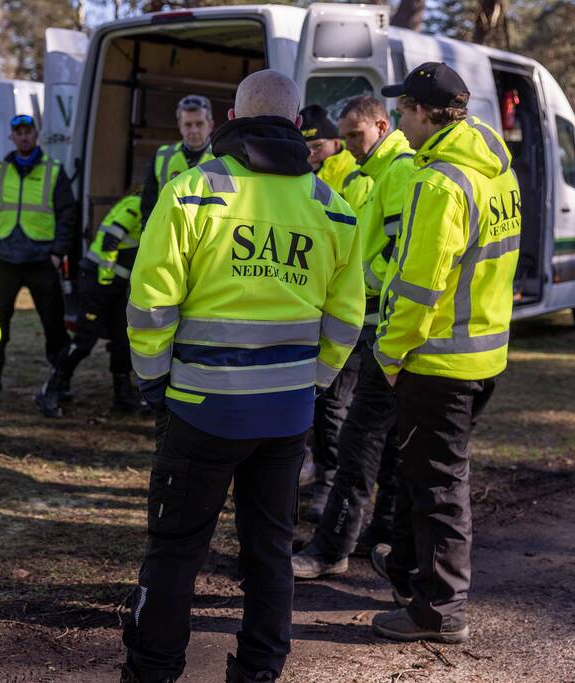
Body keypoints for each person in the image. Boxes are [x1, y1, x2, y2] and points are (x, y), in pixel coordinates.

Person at [121, 69, 364, 683]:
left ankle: (152, 672)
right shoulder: (333, 210)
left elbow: (151, 305)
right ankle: (259, 672)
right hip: (285, 416)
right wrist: (313, 384)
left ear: (231, 118)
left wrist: (154, 384)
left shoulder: (191, 192)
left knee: (176, 553)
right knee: (269, 553)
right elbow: (347, 317)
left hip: (200, 408)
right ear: (298, 127)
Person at [370, 62, 521, 644]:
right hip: (484, 354)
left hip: (436, 360)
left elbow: (416, 286)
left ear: (423, 113)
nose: (398, 126)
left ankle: (440, 609)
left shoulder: (438, 184)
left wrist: (390, 355)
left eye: (402, 112)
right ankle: (409, 569)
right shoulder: (494, 170)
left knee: (438, 486)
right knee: (426, 472)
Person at [292, 95, 416, 578]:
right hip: (373, 324)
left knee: (360, 443)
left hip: (386, 328)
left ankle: (331, 549)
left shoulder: (398, 173)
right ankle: (378, 536)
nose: (348, 146)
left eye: (354, 136)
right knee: (379, 443)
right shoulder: (374, 174)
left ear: (381, 126)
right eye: (342, 137)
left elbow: (403, 259)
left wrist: (358, 278)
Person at [294, 104, 369, 521]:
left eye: (317, 146)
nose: (311, 153)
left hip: (342, 299)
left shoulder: (348, 176)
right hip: (316, 299)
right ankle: (318, 473)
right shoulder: (313, 174)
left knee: (332, 403)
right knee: (319, 401)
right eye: (306, 147)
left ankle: (328, 481)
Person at [0, 113, 77, 394]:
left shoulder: (54, 171)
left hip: (42, 261)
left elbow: (68, 215)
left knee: (54, 328)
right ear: (12, 136)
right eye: (18, 132)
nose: (23, 136)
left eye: (28, 131)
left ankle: (60, 384)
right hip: (4, 261)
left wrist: (58, 253)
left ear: (36, 135)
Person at [35, 193, 146, 417]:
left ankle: (123, 396)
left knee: (123, 340)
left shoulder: (149, 206)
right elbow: (111, 239)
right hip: (99, 280)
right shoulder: (136, 205)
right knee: (85, 340)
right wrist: (106, 280)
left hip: (115, 284)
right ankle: (51, 390)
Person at [140, 94, 215, 223]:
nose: (194, 130)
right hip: (168, 234)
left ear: (210, 125)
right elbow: (148, 205)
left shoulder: (222, 157)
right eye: (188, 124)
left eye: (199, 124)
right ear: (180, 126)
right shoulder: (162, 156)